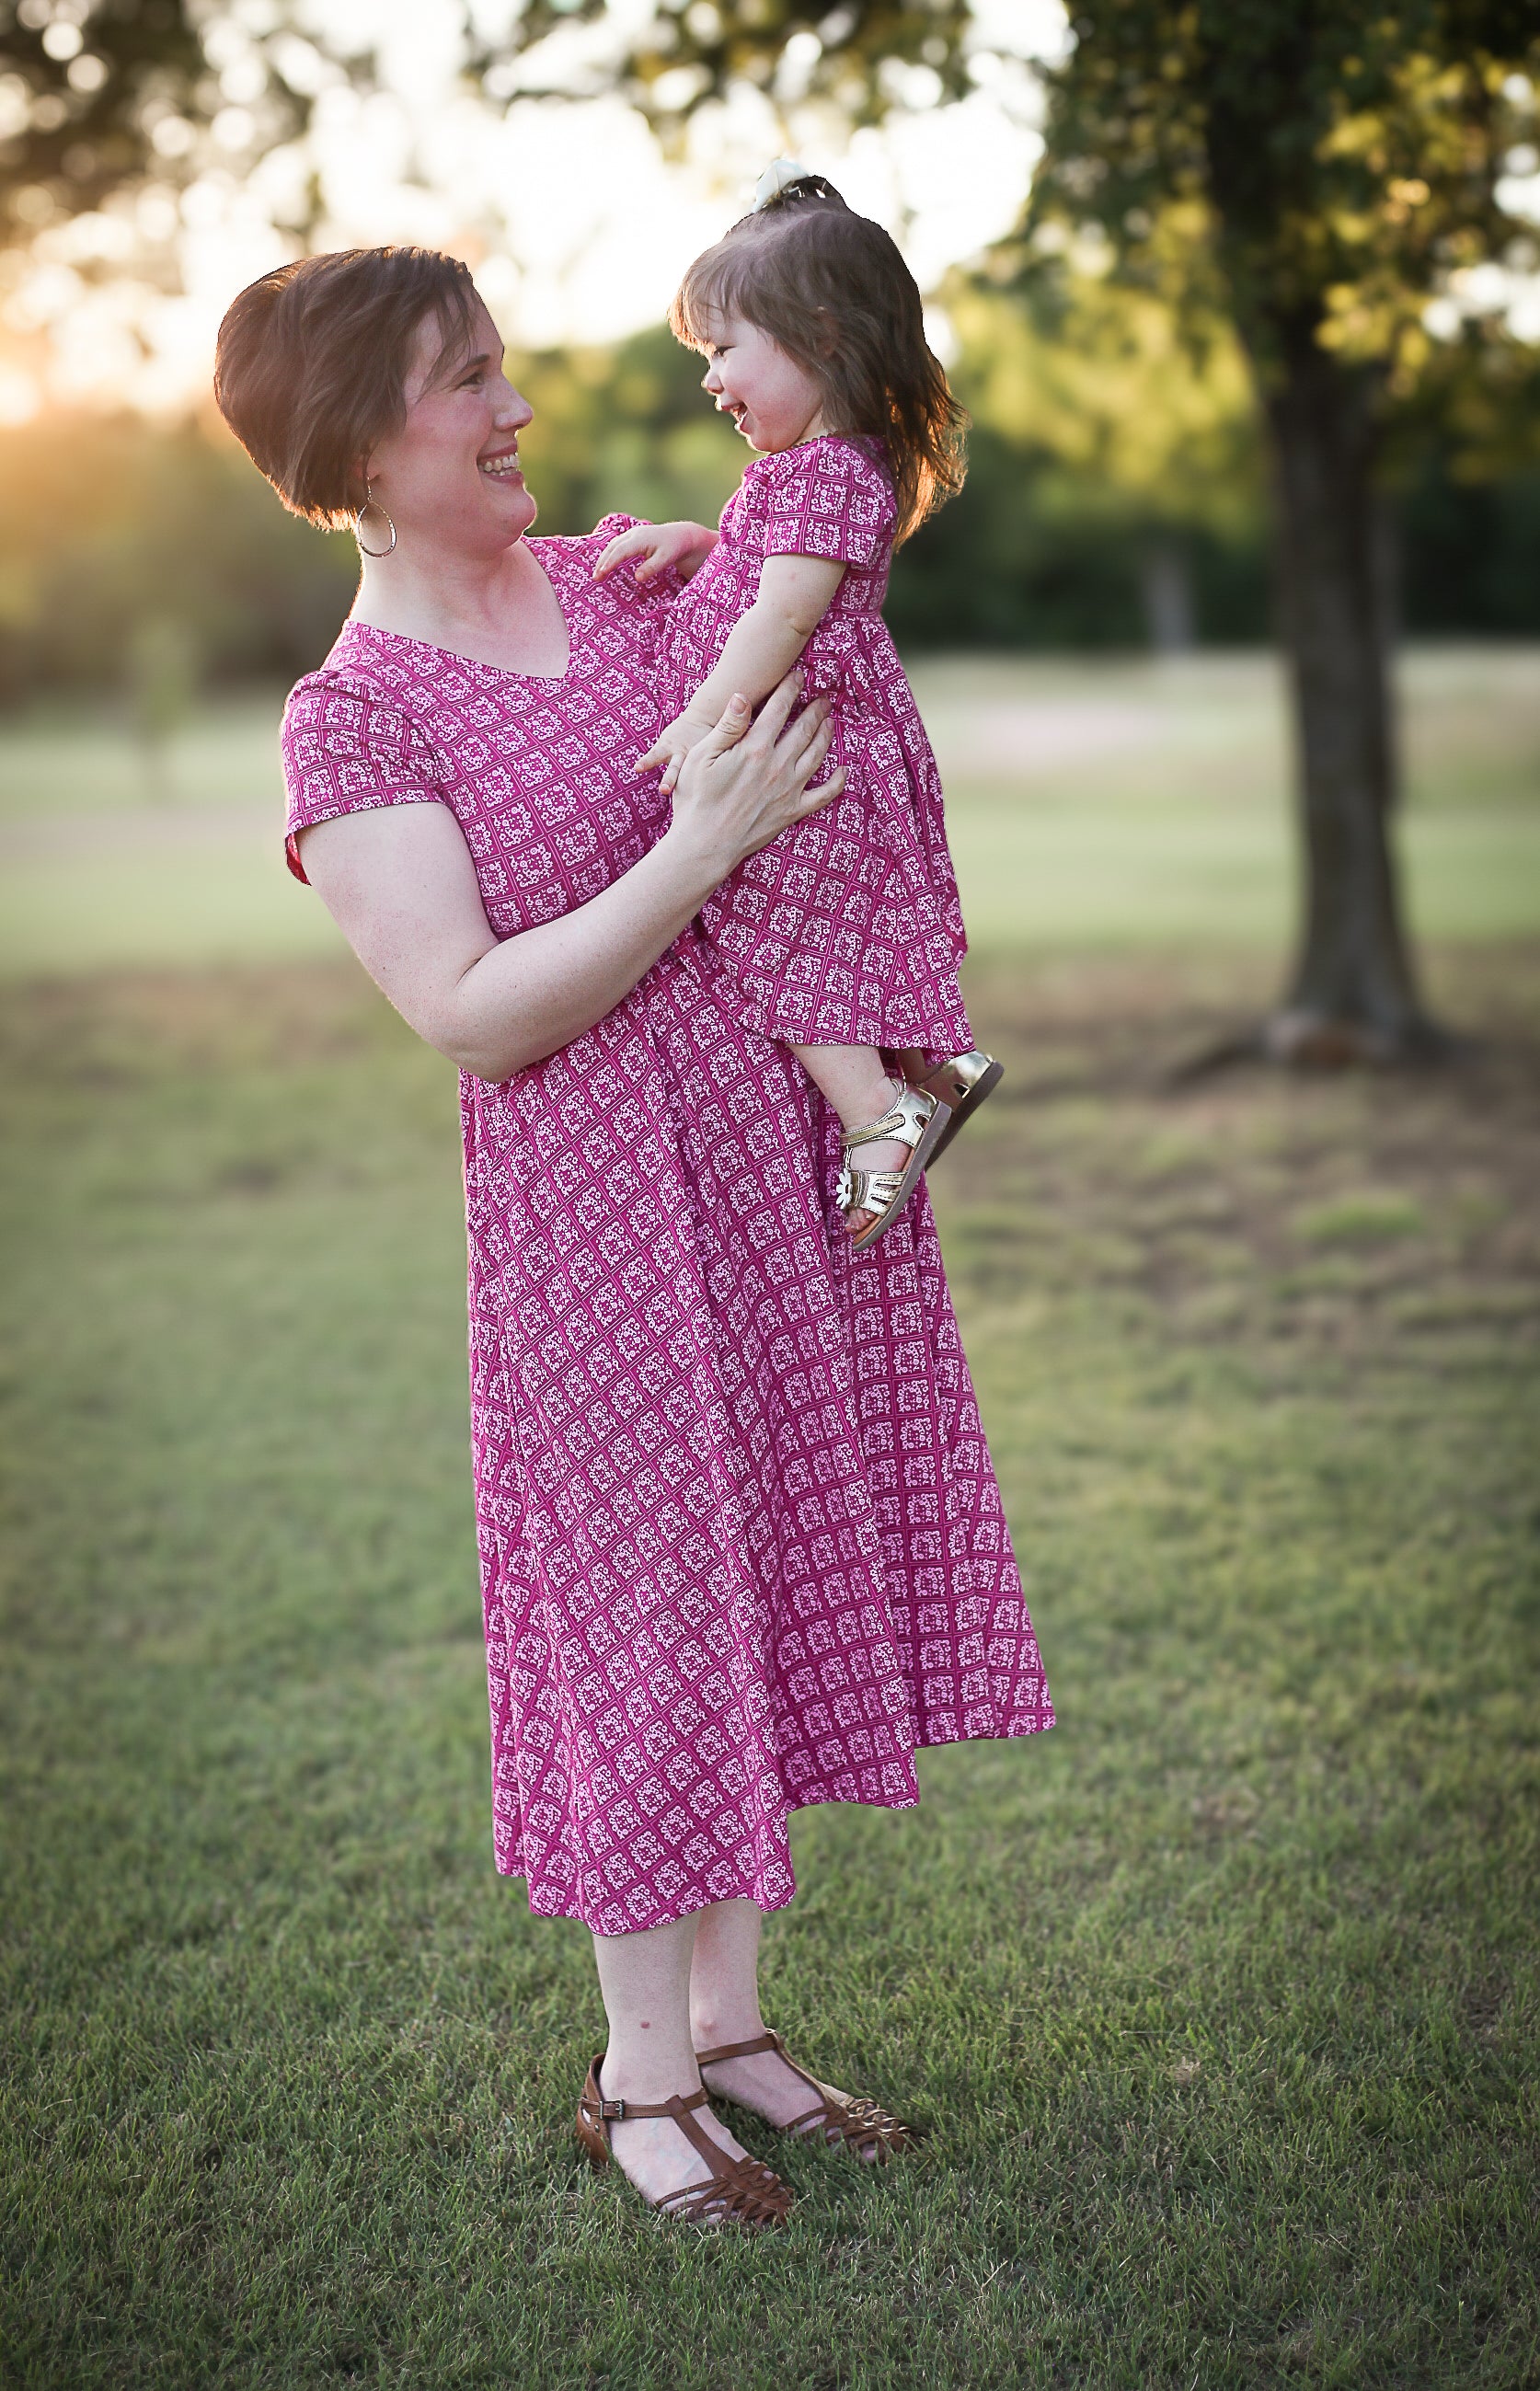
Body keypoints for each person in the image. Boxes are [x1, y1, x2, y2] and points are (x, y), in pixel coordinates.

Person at [213, 240, 1052, 2233]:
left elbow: (818, 614)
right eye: (463, 382)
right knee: (644, 1615)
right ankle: (640, 2073)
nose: (516, 406)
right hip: (595, 1222)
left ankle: (744, 2034)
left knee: (761, 1575)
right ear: (351, 440)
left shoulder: (623, 583)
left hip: (773, 1168)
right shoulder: (352, 721)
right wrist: (699, 848)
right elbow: (475, 1006)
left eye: (502, 365)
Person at [594, 164, 1002, 1255]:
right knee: (805, 923)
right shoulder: (803, 476)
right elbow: (768, 572)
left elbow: (781, 623)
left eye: (724, 349)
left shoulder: (827, 477)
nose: (710, 379)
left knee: (781, 933)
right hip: (815, 744)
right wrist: (704, 541)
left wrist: (702, 721)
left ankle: (882, 1113)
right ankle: (933, 1056)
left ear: (819, 338)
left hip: (804, 748)